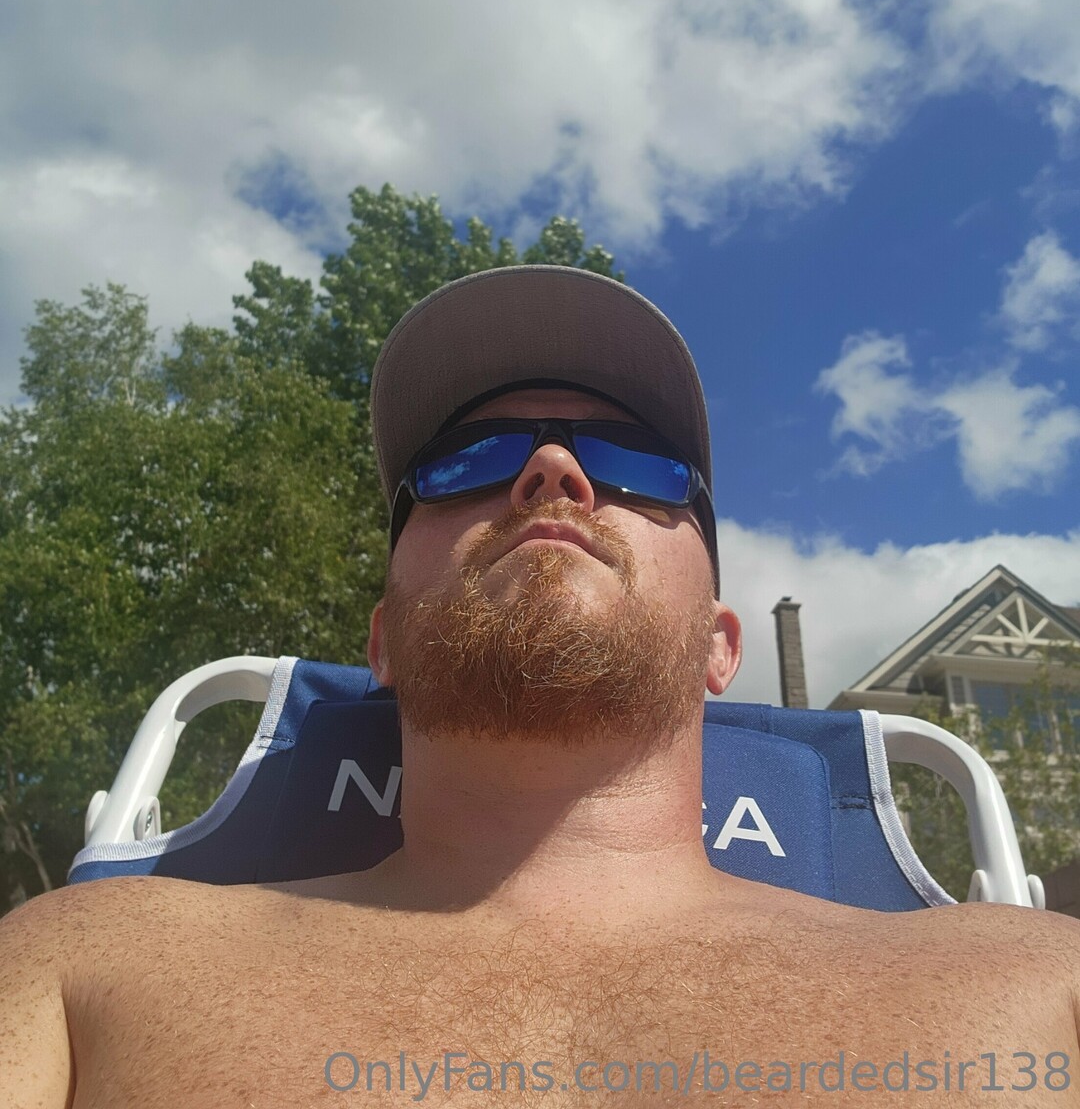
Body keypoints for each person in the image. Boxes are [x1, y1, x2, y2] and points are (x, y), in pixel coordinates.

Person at [2, 264, 1078, 1109]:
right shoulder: (84, 970)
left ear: (719, 646)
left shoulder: (1040, 987)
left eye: (636, 461)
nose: (553, 474)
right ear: (381, 641)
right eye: (465, 460)